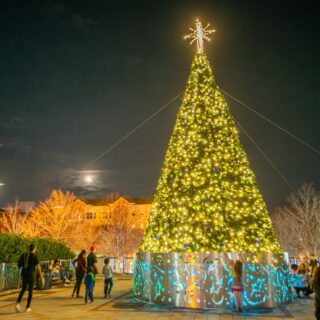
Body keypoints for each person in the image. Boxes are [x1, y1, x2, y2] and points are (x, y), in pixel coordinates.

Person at [16, 244, 42, 313]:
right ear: (34, 249)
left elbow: (19, 264)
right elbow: (38, 266)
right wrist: (41, 276)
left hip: (24, 275)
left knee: (23, 289)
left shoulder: (24, 255)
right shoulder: (34, 256)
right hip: (31, 275)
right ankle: (27, 307)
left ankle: (18, 303)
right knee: (30, 292)